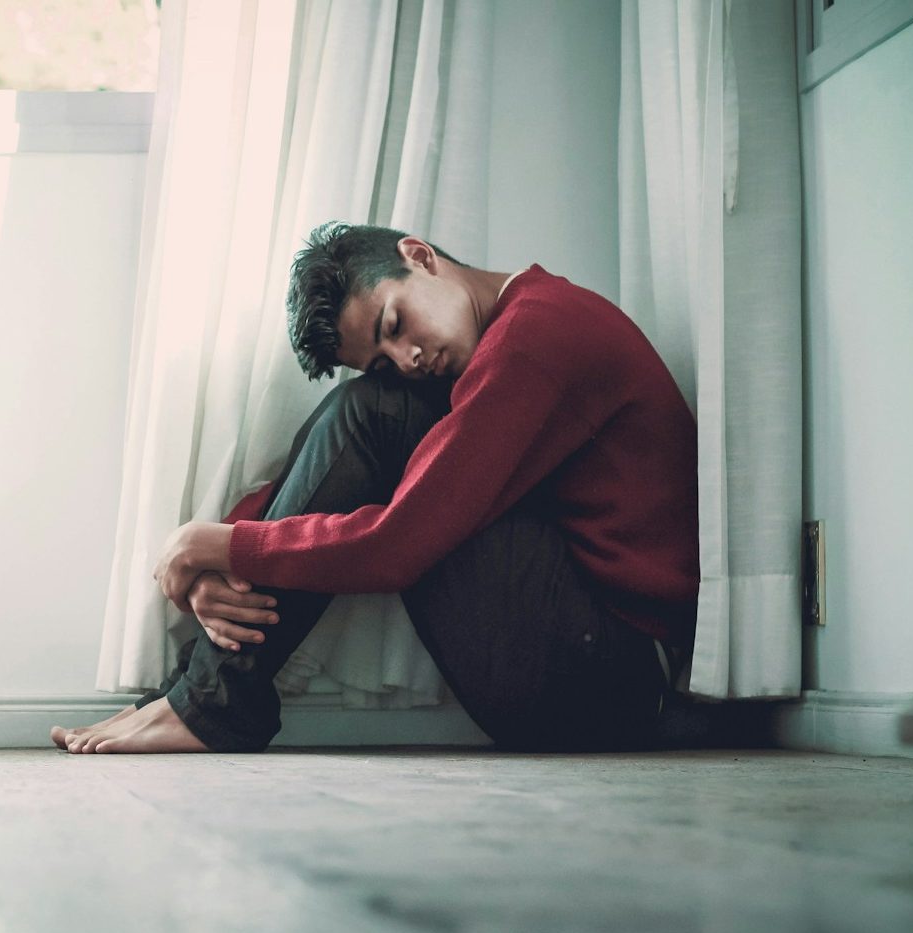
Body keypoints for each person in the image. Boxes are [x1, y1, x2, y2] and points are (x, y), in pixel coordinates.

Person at [51, 222, 699, 755]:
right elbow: (334, 472)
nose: (410, 359)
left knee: (374, 412)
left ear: (420, 256)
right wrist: (218, 552)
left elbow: (400, 544)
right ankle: (203, 694)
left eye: (395, 323)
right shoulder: (506, 338)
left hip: (612, 680)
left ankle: (211, 703)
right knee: (370, 405)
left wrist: (217, 547)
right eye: (386, 355)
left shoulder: (536, 340)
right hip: (583, 655)